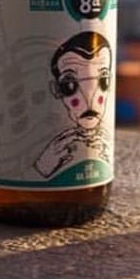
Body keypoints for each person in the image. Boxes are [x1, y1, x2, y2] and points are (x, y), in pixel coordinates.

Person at [33, 31, 114, 179]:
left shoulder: (104, 142)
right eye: (70, 85)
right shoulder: (56, 148)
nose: (90, 99)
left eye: (103, 81)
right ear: (56, 89)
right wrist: (44, 166)